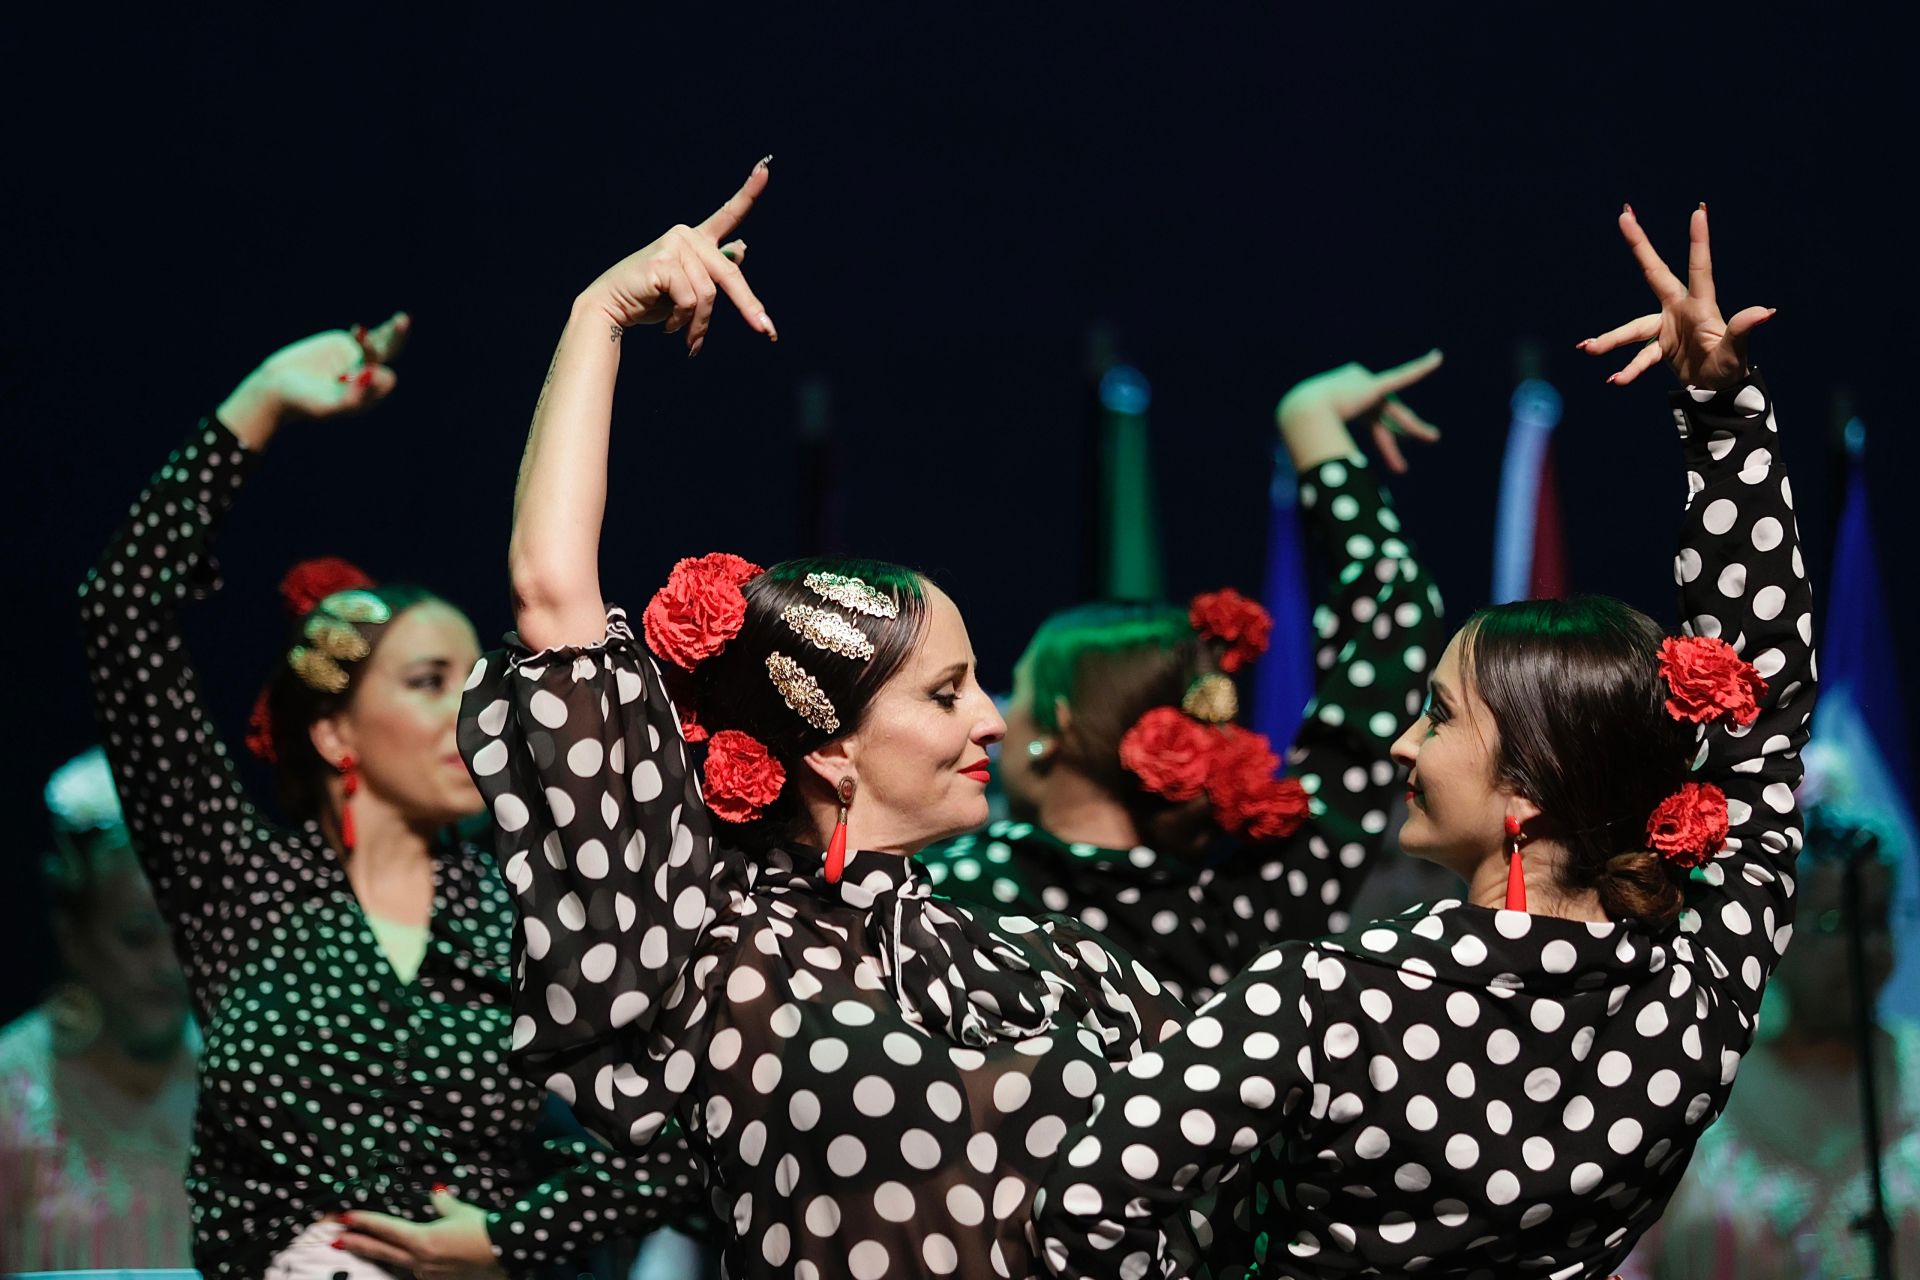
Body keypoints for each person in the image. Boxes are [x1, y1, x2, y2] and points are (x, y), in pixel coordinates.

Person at [1033, 203, 1813, 1279]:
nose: (1403, 739)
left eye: (1438, 713)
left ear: (1528, 788)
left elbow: (1080, 1209)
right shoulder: (1697, 989)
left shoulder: (1321, 999)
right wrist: (1722, 415)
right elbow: (1759, 714)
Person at [459, 158, 1200, 1279]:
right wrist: (598, 316)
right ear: (830, 746)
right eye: (947, 692)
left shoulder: (1037, 961)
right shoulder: (707, 946)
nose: (994, 719)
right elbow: (553, 598)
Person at [81, 315, 698, 1280]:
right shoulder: (242, 889)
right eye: (427, 680)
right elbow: (122, 613)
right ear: (335, 734)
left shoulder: (525, 915)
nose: (474, 707)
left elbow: (681, 1142)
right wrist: (264, 401)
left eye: (478, 676)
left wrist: (514, 1236)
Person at [924, 355, 1446, 1004]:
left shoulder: (946, 893)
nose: (998, 713)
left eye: (1019, 690)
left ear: (1058, 725)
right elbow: (1396, 615)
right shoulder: (1256, 901)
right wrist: (1308, 420)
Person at [1621, 806, 1920, 1280]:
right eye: (1829, 921)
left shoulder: (1915, 1075)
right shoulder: (1696, 1084)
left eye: (1877, 919)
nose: (1860, 947)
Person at [0, 747, 198, 1271]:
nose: (167, 965)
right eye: (138, 937)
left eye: (181, 935)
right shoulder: (11, 1093)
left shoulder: (246, 1087)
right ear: (74, 936)